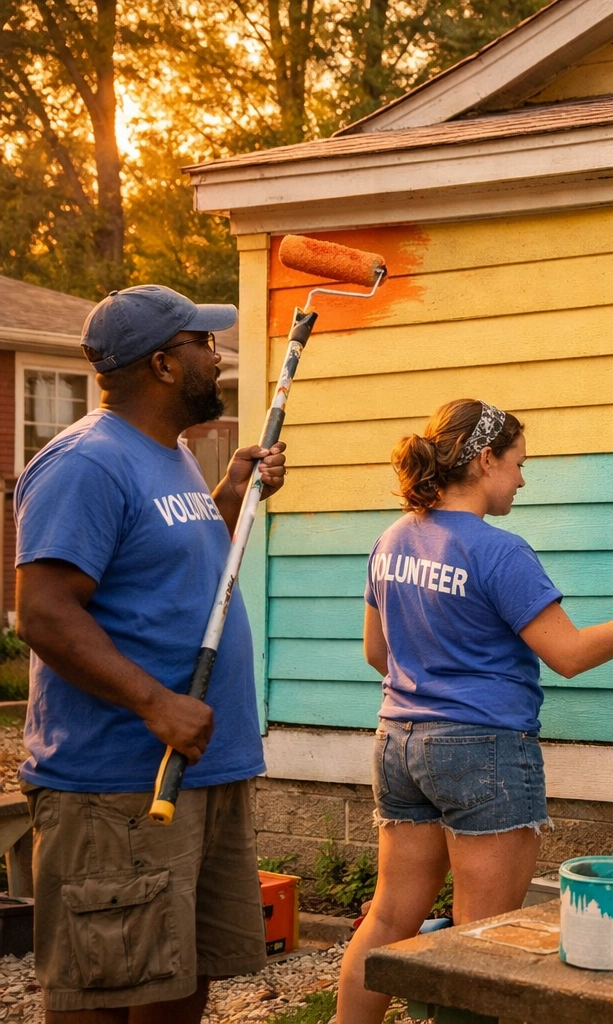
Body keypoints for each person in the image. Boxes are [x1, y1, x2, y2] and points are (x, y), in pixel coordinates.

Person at [336, 399, 613, 1024]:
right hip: (482, 753)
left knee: (390, 915)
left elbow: (376, 653)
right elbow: (569, 655)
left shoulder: (392, 539)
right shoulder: (499, 552)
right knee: (485, 935)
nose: (523, 479)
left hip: (398, 742)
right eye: (519, 463)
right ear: (485, 460)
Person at [14, 285, 287, 1022]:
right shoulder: (86, 464)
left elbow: (168, 575)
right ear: (164, 365)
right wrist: (155, 702)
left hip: (199, 770)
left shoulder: (171, 457)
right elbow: (43, 613)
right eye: (204, 343)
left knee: (178, 976)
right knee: (105, 985)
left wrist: (228, 499)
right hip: (120, 787)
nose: (218, 355)